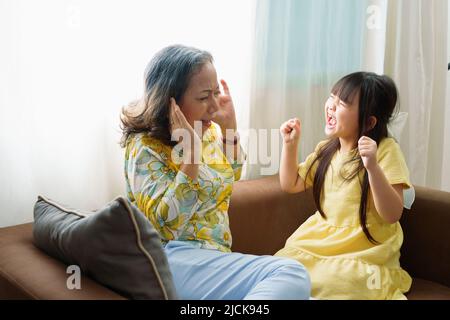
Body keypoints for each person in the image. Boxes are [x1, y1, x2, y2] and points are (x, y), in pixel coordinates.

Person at [120, 44, 310, 300]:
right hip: (167, 260)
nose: (213, 105)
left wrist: (229, 129)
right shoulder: (144, 146)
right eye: (203, 97)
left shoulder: (206, 131)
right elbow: (165, 226)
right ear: (170, 101)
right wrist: (191, 154)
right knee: (290, 273)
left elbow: (230, 177)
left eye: (216, 93)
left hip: (212, 258)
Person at [275, 72, 412, 299]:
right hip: (318, 241)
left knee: (339, 282)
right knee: (282, 268)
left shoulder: (386, 150)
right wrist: (290, 146)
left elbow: (392, 214)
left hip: (364, 249)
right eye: (332, 98)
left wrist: (373, 168)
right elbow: (291, 184)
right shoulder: (327, 149)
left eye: (342, 104)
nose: (331, 107)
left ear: (369, 122)